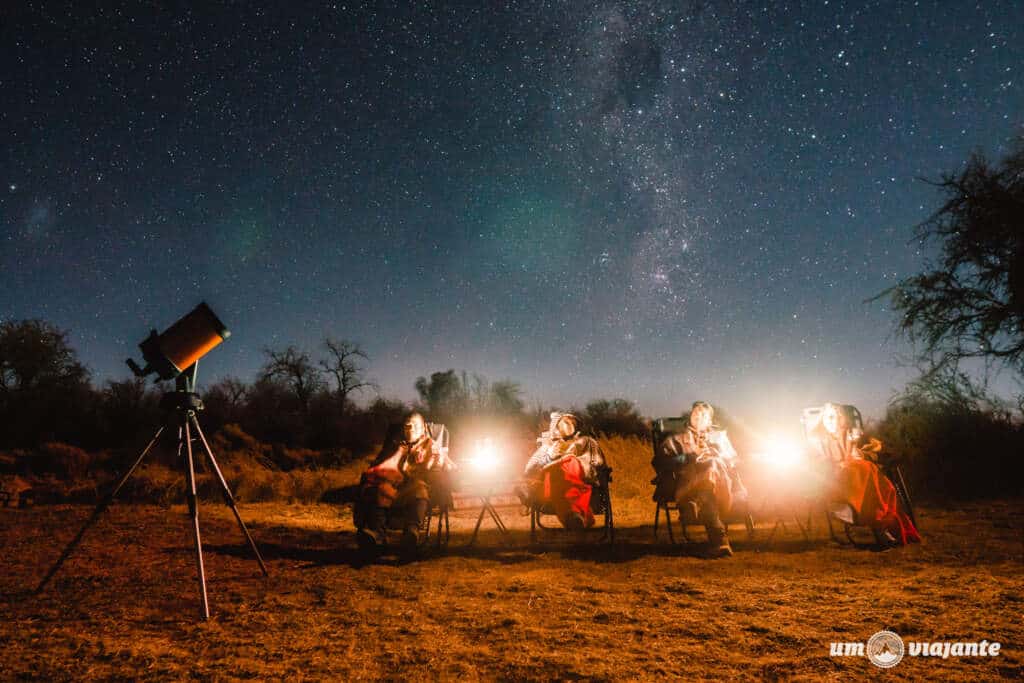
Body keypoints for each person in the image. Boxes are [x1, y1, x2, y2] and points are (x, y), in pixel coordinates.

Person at [807, 402, 920, 547]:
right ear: (822, 419)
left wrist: (862, 451)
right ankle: (881, 528)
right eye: (828, 417)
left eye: (835, 417)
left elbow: (853, 456)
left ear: (840, 419)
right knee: (864, 470)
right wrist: (839, 464)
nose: (832, 421)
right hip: (834, 482)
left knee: (871, 474)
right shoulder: (817, 439)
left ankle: (886, 526)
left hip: (855, 479)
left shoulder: (844, 434)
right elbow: (819, 464)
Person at [653, 401, 747, 557]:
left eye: (703, 414)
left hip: (721, 486)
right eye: (695, 413)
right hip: (688, 482)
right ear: (690, 417)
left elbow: (734, 460)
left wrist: (719, 455)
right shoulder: (677, 438)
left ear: (710, 421)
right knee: (708, 481)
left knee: (713, 464)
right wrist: (684, 458)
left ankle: (695, 505)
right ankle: (720, 541)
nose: (698, 416)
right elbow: (659, 461)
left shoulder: (720, 437)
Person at [354, 412, 454, 553]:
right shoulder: (395, 445)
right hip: (393, 486)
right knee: (381, 489)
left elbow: (444, 466)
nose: (410, 430)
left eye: (414, 426)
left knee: (419, 489)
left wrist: (437, 463)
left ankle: (411, 533)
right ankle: (377, 534)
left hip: (416, 488)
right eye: (407, 426)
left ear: (423, 428)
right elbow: (380, 465)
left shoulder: (430, 445)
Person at [520, 412, 606, 529]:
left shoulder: (586, 441)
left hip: (578, 480)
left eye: (572, 422)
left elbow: (597, 462)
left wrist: (571, 457)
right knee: (557, 473)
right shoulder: (547, 447)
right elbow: (530, 469)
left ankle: (531, 498)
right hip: (553, 485)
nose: (570, 425)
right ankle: (573, 517)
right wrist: (549, 457)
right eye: (566, 422)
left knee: (567, 465)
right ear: (556, 426)